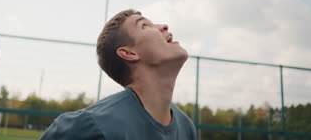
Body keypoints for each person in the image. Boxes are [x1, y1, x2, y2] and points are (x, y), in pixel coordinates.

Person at [40, 9, 197, 139]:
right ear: (128, 53)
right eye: (144, 25)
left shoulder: (186, 128)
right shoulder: (90, 127)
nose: (164, 26)